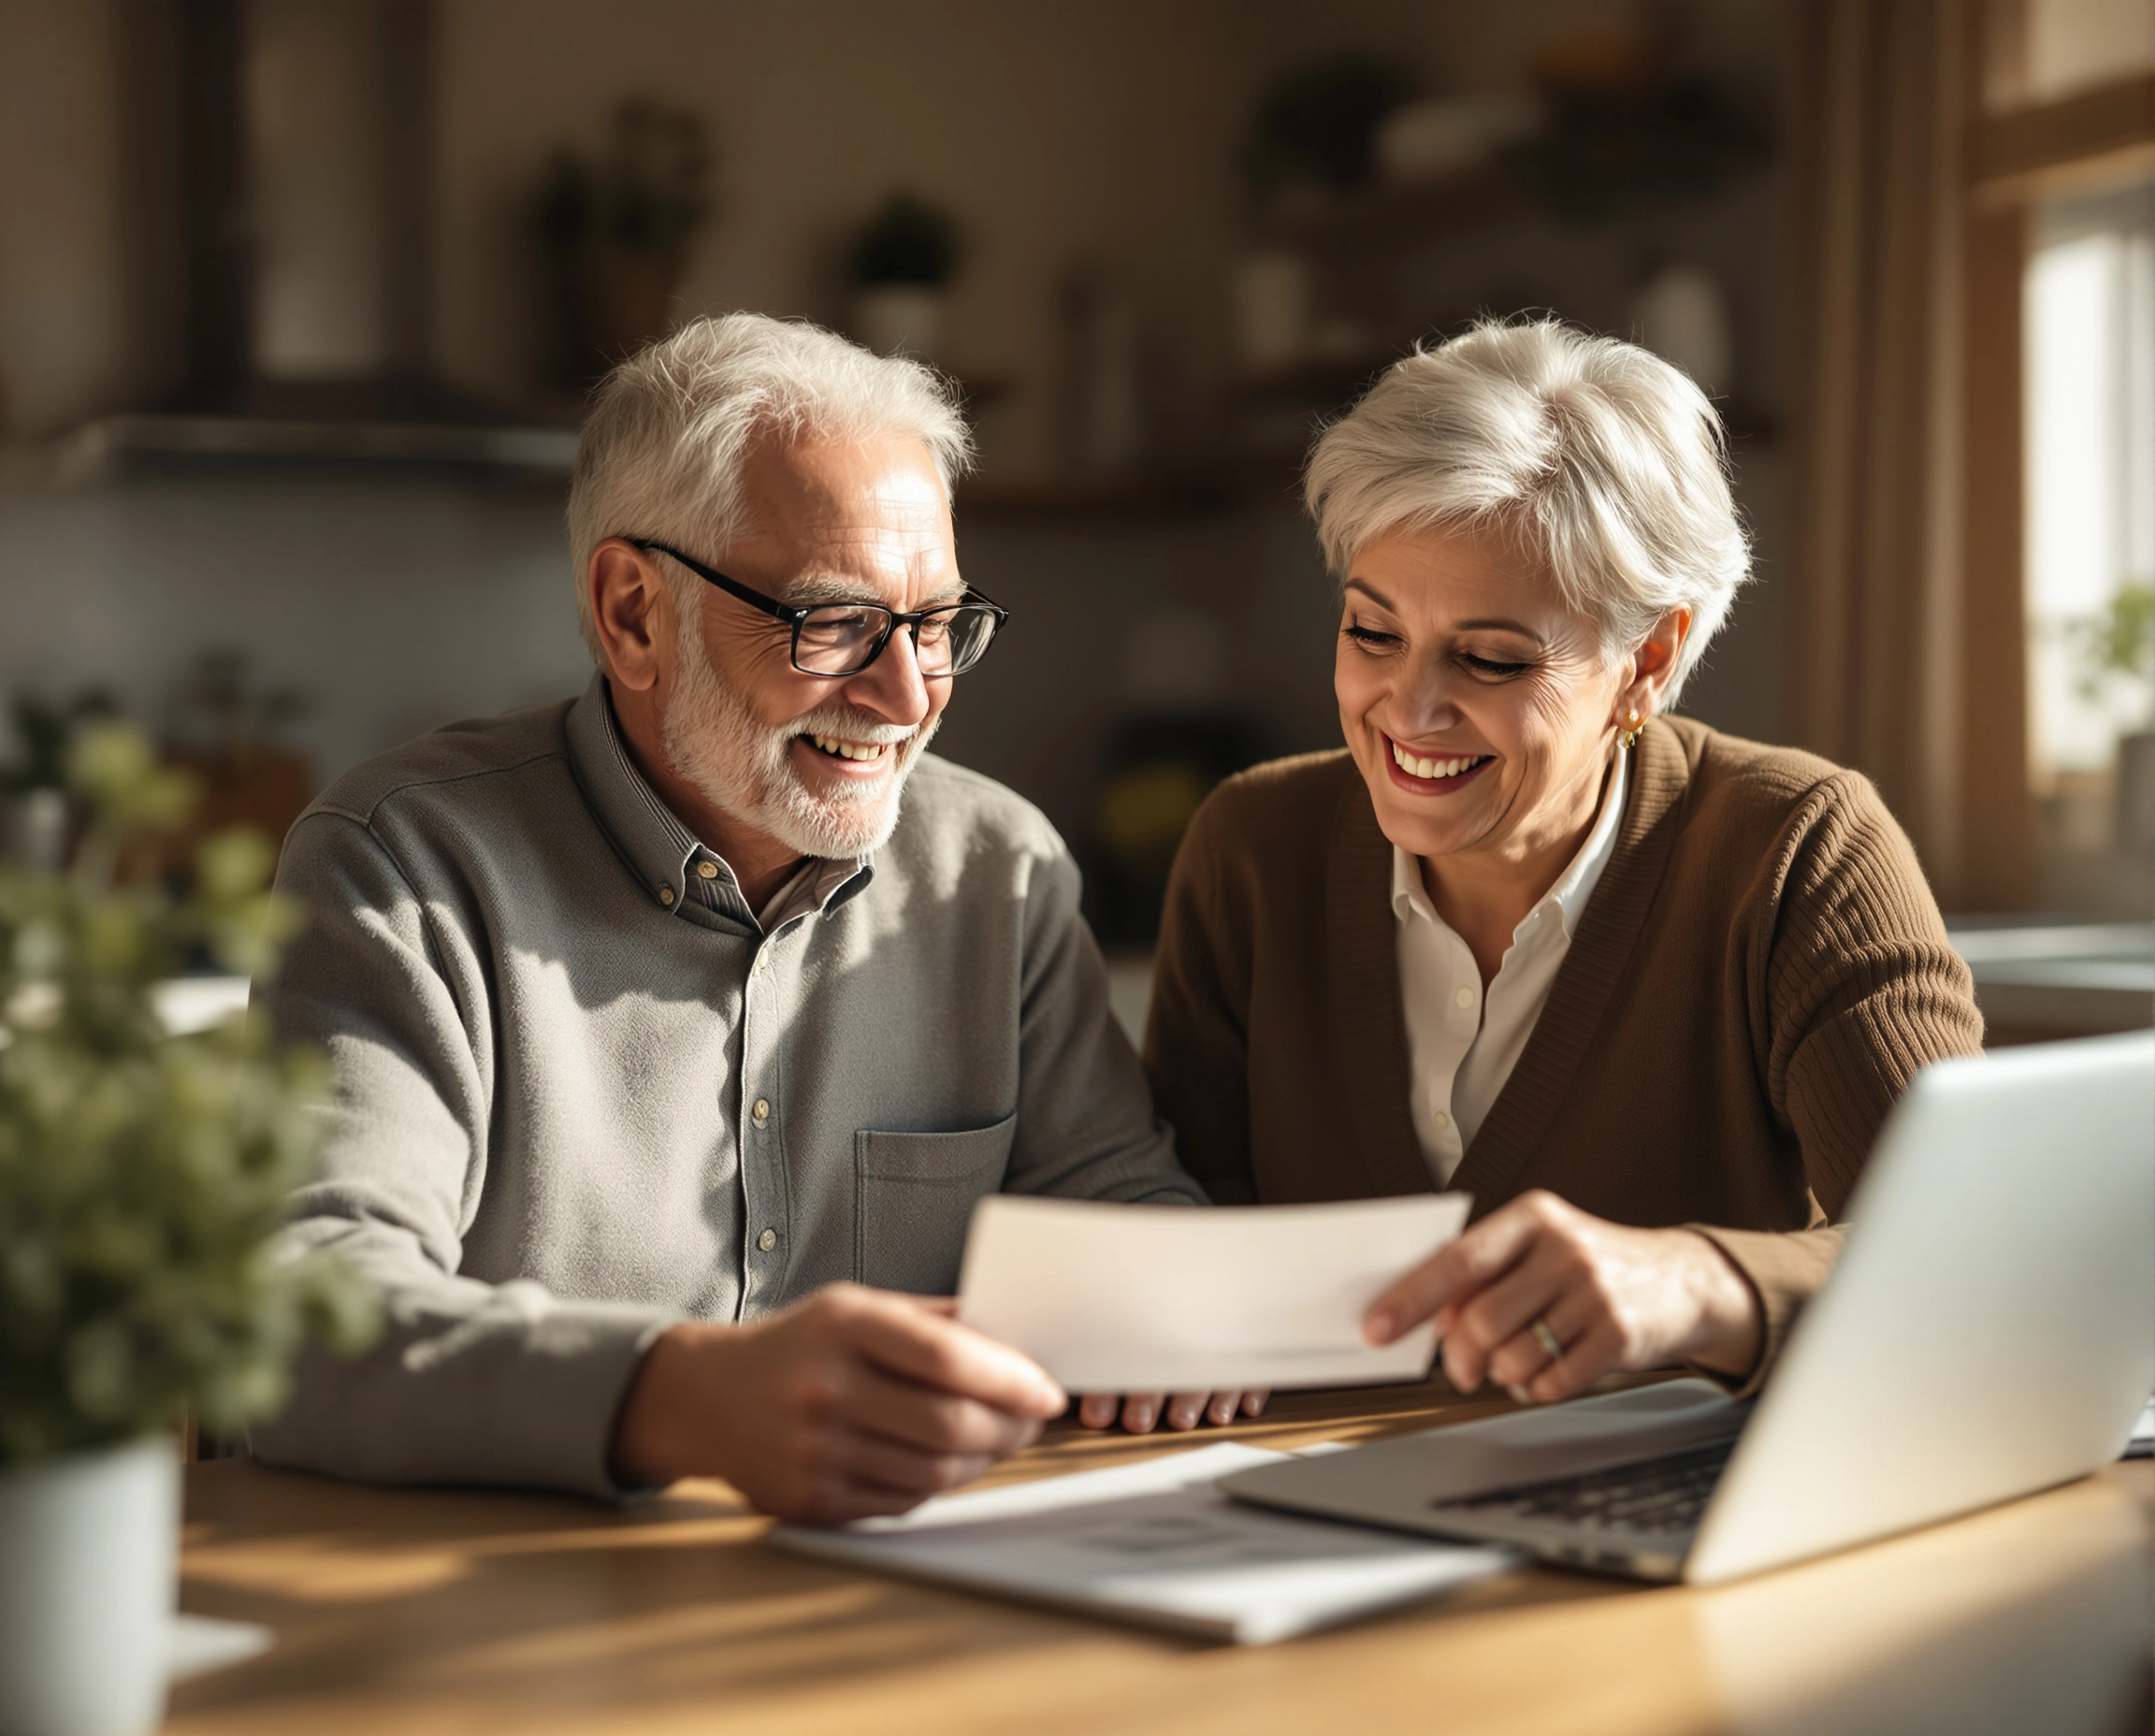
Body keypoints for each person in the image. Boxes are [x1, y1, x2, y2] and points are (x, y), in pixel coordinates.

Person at [251, 314, 1252, 1522]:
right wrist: (684, 1398)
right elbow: (302, 1315)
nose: (905, 696)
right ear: (631, 612)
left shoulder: (999, 871)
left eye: (934, 626)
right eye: (831, 623)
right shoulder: (403, 867)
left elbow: (1122, 1204)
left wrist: (1178, 1312)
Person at [1144, 318, 1985, 1407]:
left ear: (1649, 659)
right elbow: (1173, 1228)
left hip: (1670, 1532)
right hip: (1285, 1519)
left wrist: (1696, 1282)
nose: (1411, 708)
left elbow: (1967, 1260)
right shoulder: (1253, 846)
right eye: (1371, 631)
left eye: (1491, 656)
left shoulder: (1798, 847)